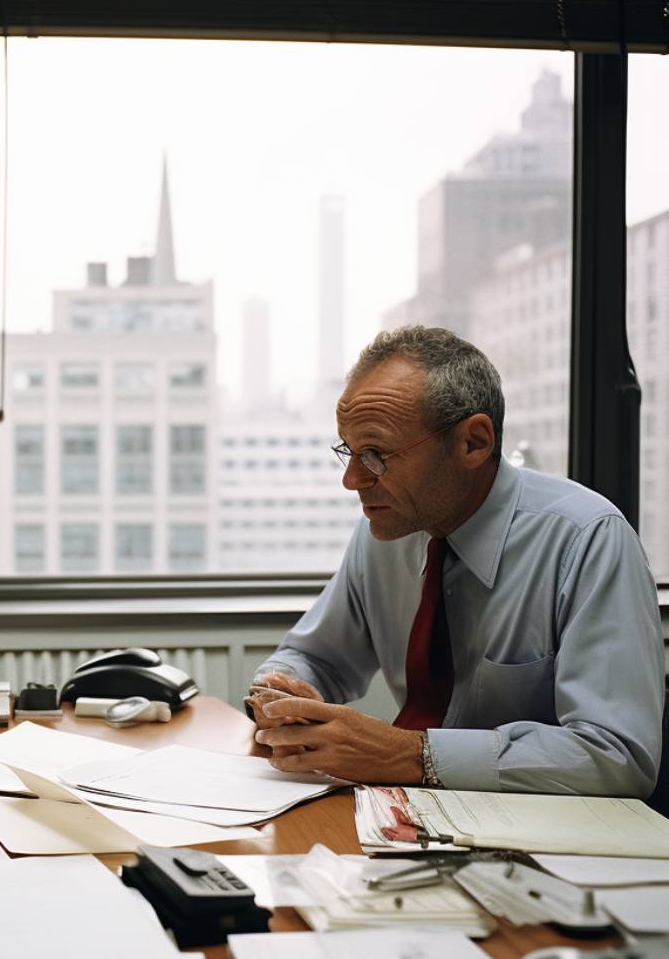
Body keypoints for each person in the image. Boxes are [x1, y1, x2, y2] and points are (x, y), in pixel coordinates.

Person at [250, 325, 662, 798]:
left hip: (543, 844)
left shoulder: (586, 540)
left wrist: (408, 754)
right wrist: (280, 695)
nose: (352, 480)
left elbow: (618, 757)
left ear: (474, 443)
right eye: (348, 450)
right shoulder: (387, 530)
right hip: (410, 817)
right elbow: (313, 656)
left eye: (376, 454)